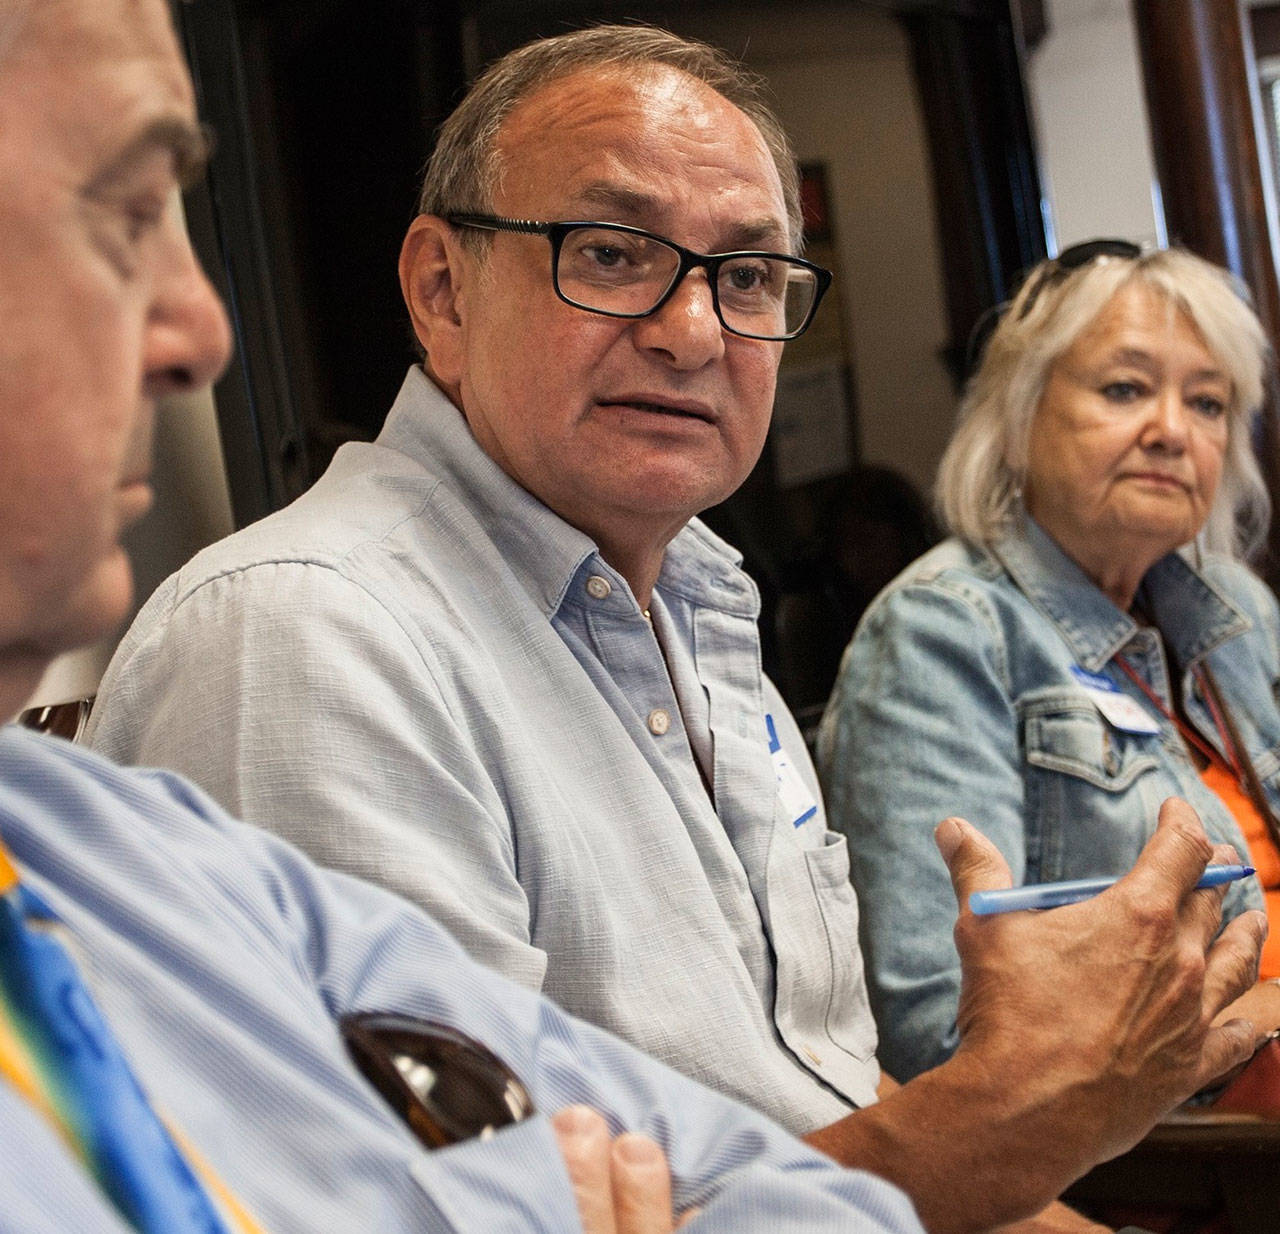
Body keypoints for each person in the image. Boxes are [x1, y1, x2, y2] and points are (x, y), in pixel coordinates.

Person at [85, 27, 1265, 1231]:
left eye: (748, 277)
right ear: (440, 289)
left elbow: (824, 1096)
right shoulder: (308, 636)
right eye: (608, 253)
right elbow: (451, 1215)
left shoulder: (697, 604)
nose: (694, 331)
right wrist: (1011, 1115)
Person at [817, 241, 1280, 1083]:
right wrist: (1261, 1013)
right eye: (1125, 388)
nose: (1173, 431)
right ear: (1019, 418)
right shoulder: (943, 635)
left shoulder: (1238, 610)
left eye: (1208, 403)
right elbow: (942, 1034)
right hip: (1182, 1146)